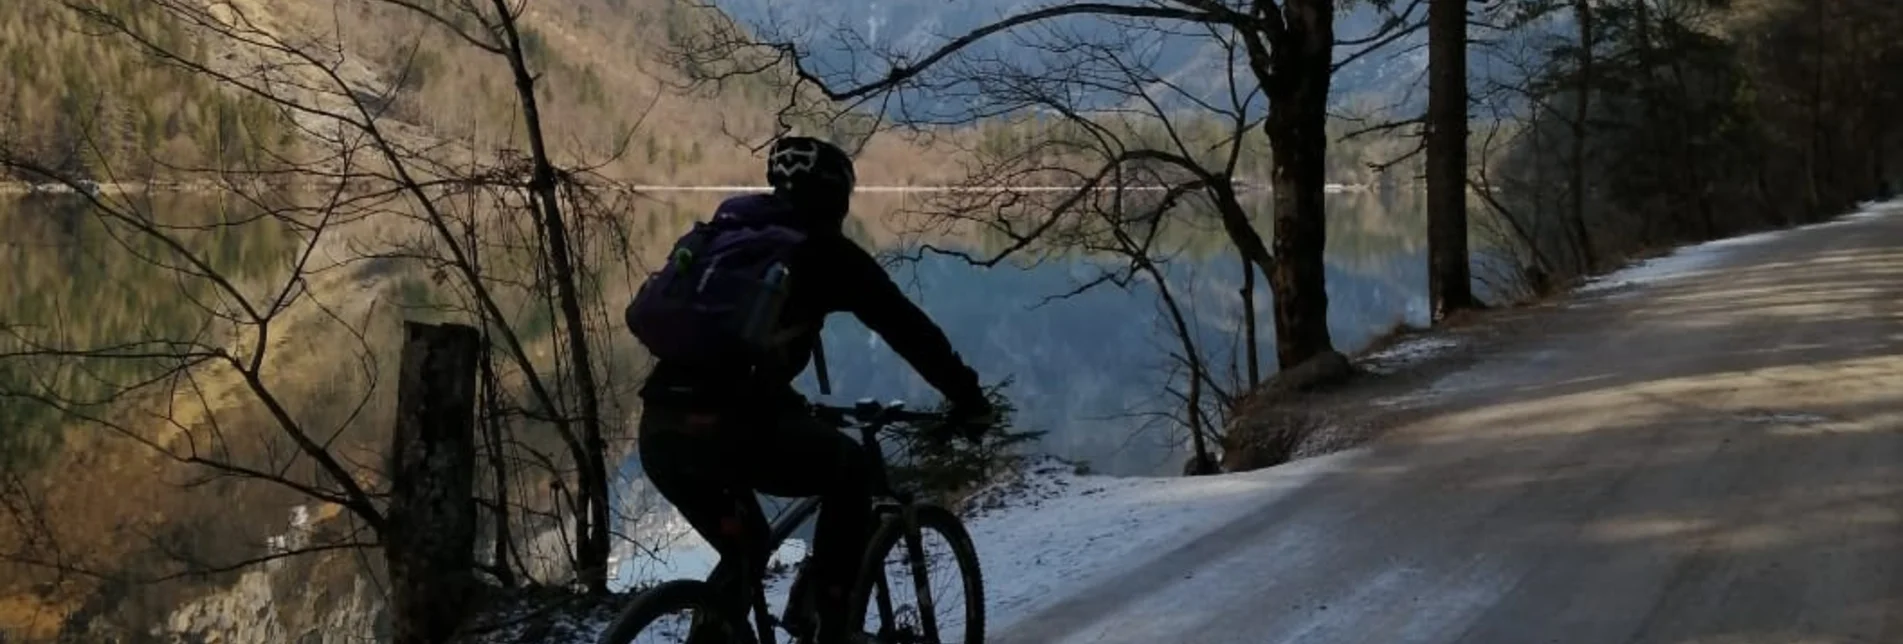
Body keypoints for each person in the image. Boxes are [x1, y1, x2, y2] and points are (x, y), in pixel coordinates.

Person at [635, 136, 996, 644]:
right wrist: (968, 399)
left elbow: (727, 360)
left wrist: (785, 405)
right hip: (732, 428)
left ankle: (713, 628)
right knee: (850, 472)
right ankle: (832, 622)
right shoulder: (824, 252)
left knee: (746, 550)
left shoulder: (722, 237)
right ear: (837, 197)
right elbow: (910, 330)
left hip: (663, 429)